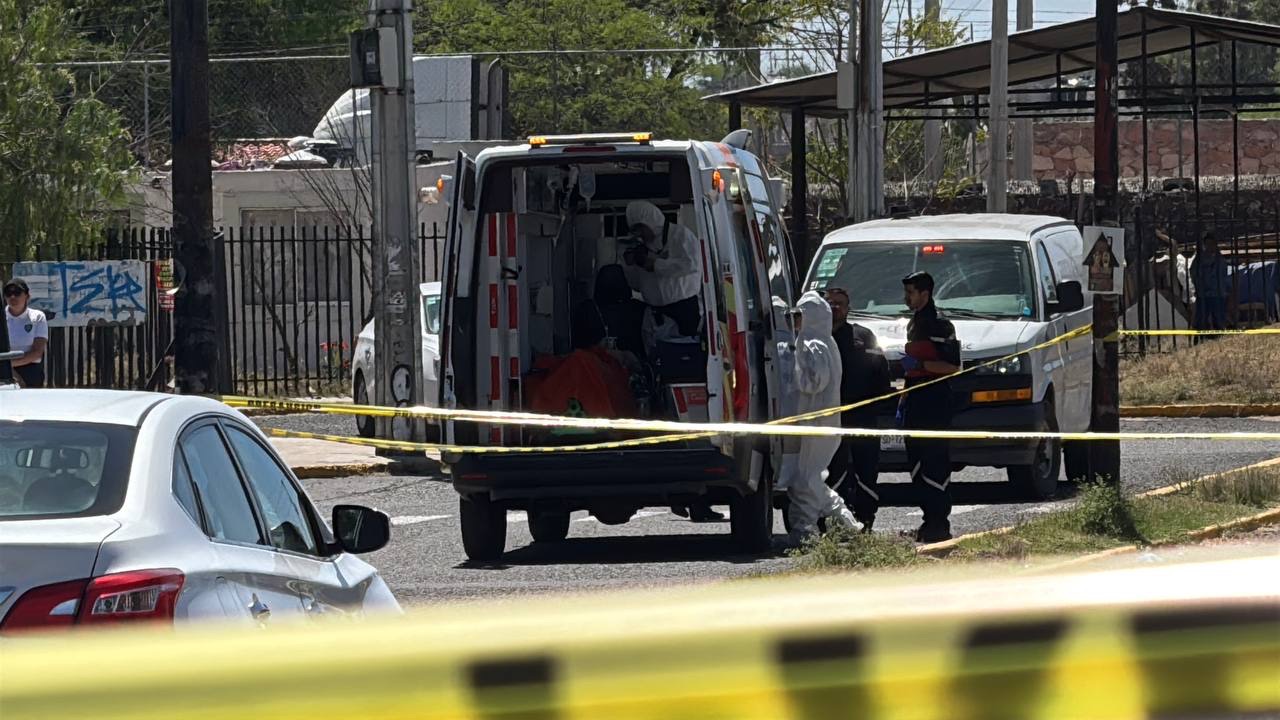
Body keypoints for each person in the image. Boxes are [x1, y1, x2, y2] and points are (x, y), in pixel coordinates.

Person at [780, 291, 858, 547]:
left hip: (817, 422)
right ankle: (844, 523)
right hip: (822, 421)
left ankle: (806, 531)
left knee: (805, 478)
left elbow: (813, 382)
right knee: (811, 477)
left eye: (800, 315)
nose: (796, 321)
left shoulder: (813, 344)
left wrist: (792, 364)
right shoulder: (825, 341)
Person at [898, 272, 961, 543]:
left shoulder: (940, 325)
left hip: (935, 401)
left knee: (935, 462)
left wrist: (921, 367)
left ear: (925, 294)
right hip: (915, 399)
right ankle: (927, 522)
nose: (906, 298)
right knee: (916, 462)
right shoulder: (913, 323)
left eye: (911, 293)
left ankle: (939, 523)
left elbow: (953, 366)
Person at [822, 288, 891, 531]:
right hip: (829, 417)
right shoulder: (816, 339)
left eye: (840, 304)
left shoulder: (863, 336)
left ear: (848, 308)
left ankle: (866, 521)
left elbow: (881, 373)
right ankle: (835, 524)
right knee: (832, 472)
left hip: (863, 416)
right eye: (830, 304)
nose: (835, 308)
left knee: (867, 470)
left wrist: (880, 403)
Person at [622, 200, 701, 339]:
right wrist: (631, 265)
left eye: (641, 229)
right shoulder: (642, 249)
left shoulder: (681, 236)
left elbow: (692, 265)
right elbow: (637, 286)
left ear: (649, 220)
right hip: (656, 314)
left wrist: (656, 265)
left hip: (684, 311)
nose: (640, 235)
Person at [4, 279, 48, 389]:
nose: (12, 297)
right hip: (4, 371)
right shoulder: (2, 317)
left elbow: (37, 352)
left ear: (27, 296)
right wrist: (12, 373)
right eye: (8, 293)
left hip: (31, 370)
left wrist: (9, 365)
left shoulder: (37, 317)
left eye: (17, 293)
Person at [1191, 231, 1231, 333]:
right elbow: (1194, 273)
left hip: (1217, 293)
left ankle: (1218, 334)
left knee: (1218, 319)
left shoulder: (1219, 260)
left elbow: (1223, 276)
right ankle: (1201, 337)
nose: (1210, 246)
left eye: (1212, 244)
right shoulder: (1199, 260)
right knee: (1201, 320)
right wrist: (1199, 286)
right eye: (1207, 244)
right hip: (1203, 294)